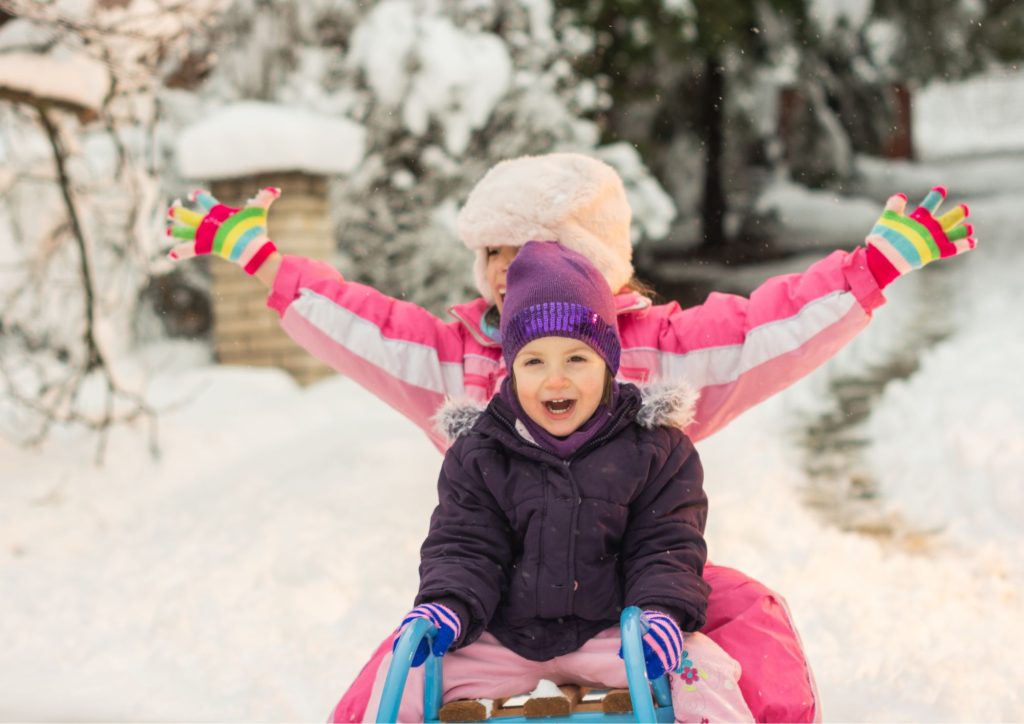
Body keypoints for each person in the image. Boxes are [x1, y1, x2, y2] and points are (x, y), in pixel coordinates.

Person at [166, 153, 976, 721]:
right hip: (499, 596)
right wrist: (265, 262)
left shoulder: (661, 353)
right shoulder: (456, 360)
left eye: (520, 251)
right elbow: (362, 326)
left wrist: (870, 268)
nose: (498, 272)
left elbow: (768, 329)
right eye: (488, 253)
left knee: (750, 621)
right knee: (391, 673)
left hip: (631, 583)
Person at [367, 240, 753, 722]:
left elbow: (666, 545)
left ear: (607, 363)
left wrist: (660, 612)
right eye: (534, 362)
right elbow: (465, 546)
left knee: (704, 672)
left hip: (614, 636)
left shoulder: (655, 450)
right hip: (505, 640)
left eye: (576, 359)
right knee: (404, 671)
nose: (555, 380)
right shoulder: (480, 453)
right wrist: (448, 605)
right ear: (510, 367)